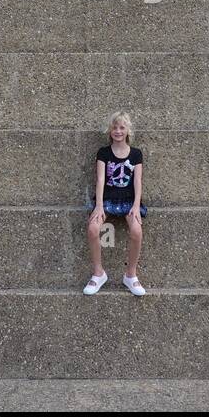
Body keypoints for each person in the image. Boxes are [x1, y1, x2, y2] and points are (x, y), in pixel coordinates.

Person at [83, 111, 147, 296]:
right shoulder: (104, 153)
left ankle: (131, 275)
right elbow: (101, 179)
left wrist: (136, 205)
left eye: (122, 127)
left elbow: (138, 181)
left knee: (136, 230)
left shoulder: (136, 154)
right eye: (114, 127)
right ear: (110, 130)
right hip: (108, 199)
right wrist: (100, 205)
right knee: (93, 229)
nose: (118, 131)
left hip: (128, 200)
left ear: (128, 131)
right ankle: (98, 273)